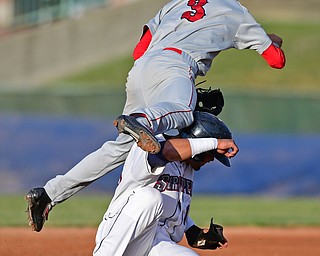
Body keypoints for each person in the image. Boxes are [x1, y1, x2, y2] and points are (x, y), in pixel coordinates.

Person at [25, 0, 284, 232]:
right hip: (177, 67)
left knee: (119, 150)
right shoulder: (236, 11)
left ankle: (48, 194)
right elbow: (276, 60)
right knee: (182, 115)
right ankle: (144, 121)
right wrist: (269, 40)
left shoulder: (176, 4)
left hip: (141, 69)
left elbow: (140, 50)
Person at [93, 111, 238, 256]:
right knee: (149, 197)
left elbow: (172, 204)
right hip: (126, 238)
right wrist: (214, 143)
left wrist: (193, 231)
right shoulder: (149, 145)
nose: (212, 159)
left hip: (158, 244)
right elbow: (165, 152)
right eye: (211, 154)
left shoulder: (187, 167)